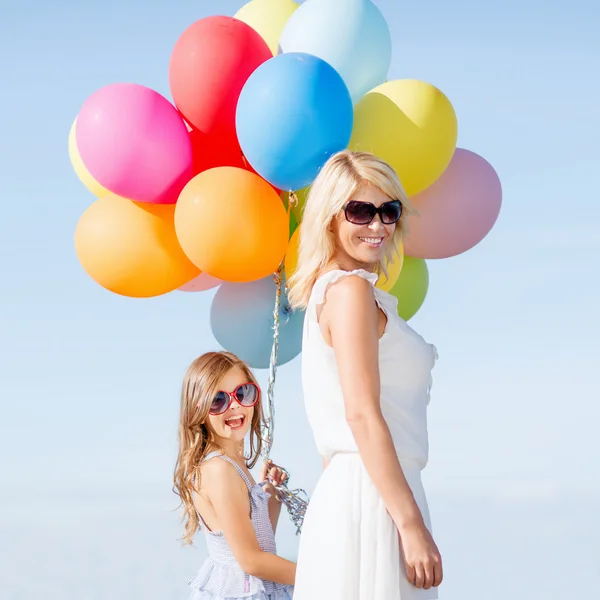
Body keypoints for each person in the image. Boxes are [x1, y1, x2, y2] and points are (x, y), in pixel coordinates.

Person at [288, 150, 443, 599]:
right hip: (377, 499)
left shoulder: (341, 292)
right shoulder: (349, 291)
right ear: (329, 218)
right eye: (360, 211)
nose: (377, 226)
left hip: (366, 492)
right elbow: (360, 415)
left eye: (388, 211)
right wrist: (410, 525)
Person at [173, 351, 295, 599]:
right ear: (198, 409)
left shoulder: (233, 466)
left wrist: (270, 495)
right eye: (218, 400)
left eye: (243, 393)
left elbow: (258, 543)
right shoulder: (219, 469)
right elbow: (251, 561)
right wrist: (321, 577)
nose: (235, 405)